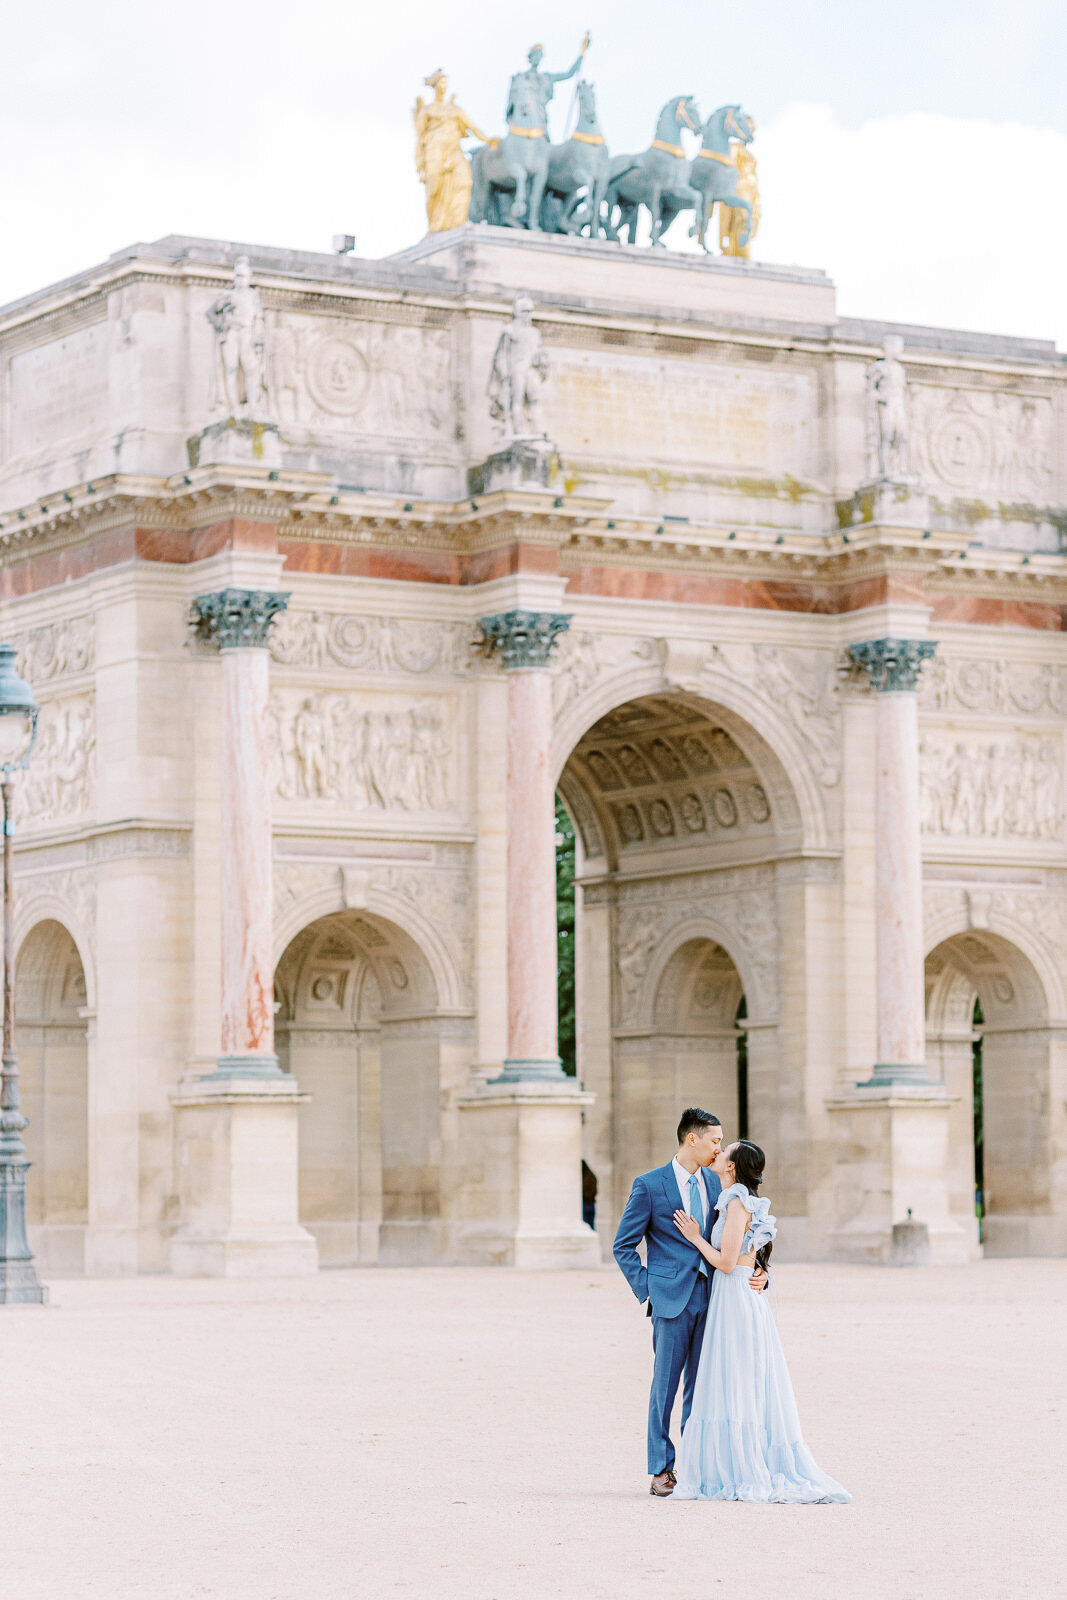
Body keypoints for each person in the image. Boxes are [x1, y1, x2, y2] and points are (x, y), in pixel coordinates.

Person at [671, 1138, 850, 1503]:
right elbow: (748, 1256)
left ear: (732, 1166)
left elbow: (725, 1260)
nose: (717, 1153)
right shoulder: (733, 1200)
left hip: (736, 1299)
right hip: (734, 1295)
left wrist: (694, 1238)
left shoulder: (737, 1204)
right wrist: (760, 1272)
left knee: (737, 1378)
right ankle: (731, 1464)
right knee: (734, 1378)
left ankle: (741, 1466)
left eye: (724, 1151)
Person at [613, 1109, 767, 1497]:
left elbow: (746, 1236)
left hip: (717, 1298)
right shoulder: (649, 1185)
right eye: (715, 1140)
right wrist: (648, 1287)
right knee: (664, 1386)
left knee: (704, 1386)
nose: (719, 1147)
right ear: (691, 1139)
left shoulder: (722, 1186)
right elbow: (623, 1245)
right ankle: (661, 1468)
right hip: (670, 1298)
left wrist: (763, 1271)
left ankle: (697, 1465)